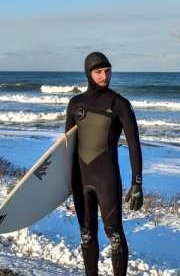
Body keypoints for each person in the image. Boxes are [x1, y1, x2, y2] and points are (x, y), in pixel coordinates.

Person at [65, 52, 143, 276]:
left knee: (115, 235)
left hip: (106, 178)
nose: (104, 76)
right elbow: (67, 147)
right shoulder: (75, 104)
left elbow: (134, 144)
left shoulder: (119, 104)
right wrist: (63, 184)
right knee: (86, 235)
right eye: (98, 71)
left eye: (107, 71)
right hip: (80, 179)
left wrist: (137, 183)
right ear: (88, 73)